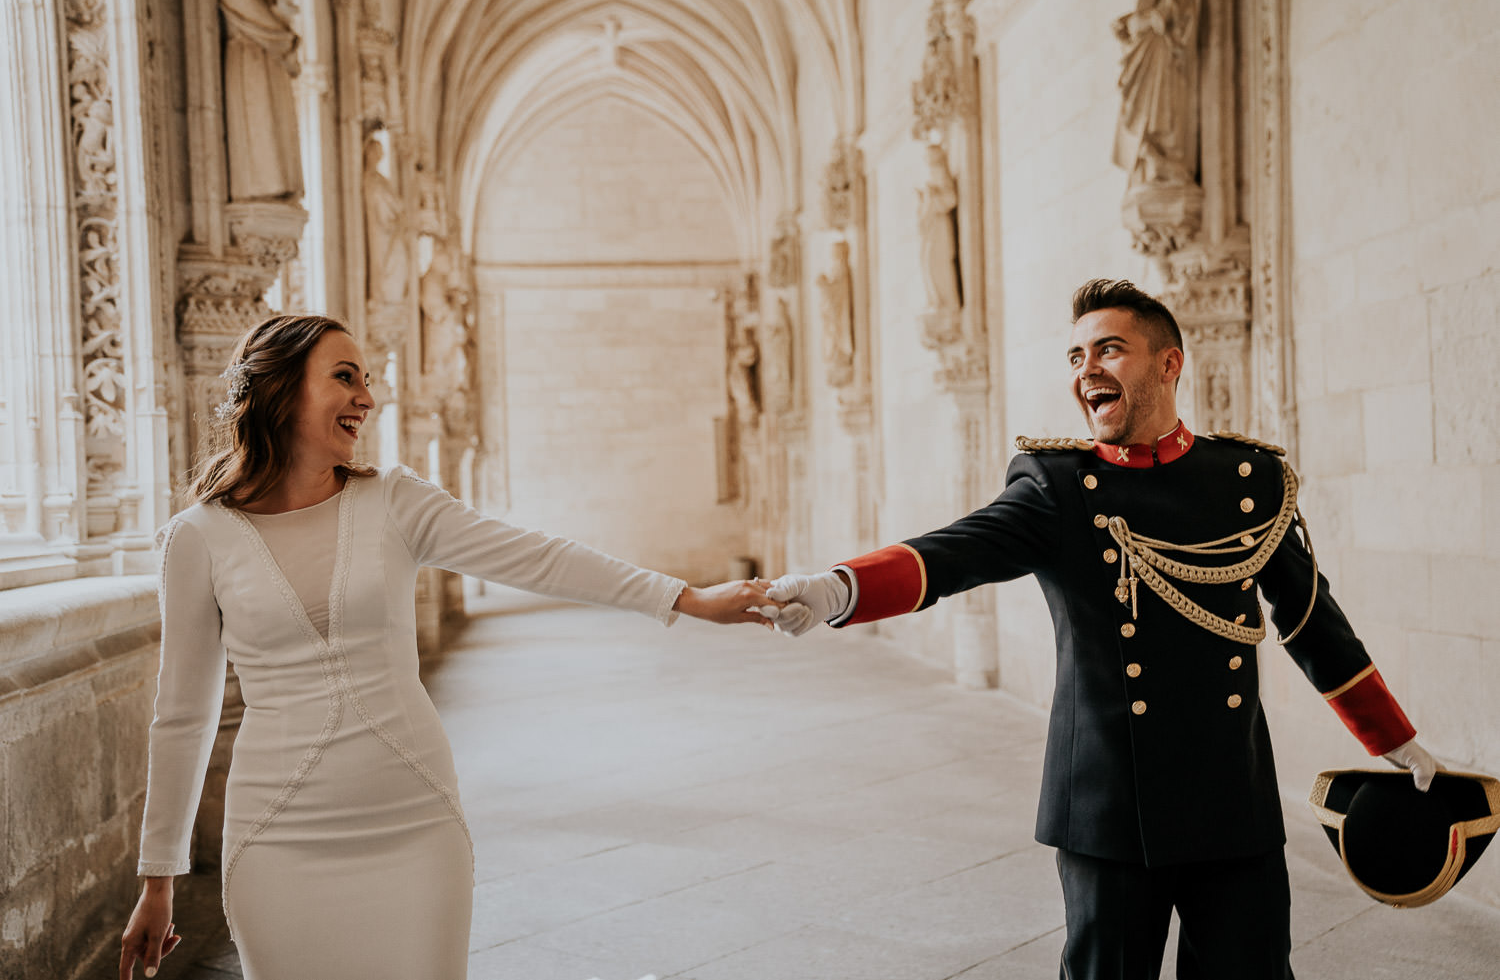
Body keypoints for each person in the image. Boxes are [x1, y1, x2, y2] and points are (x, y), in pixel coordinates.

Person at [764, 279, 1439, 980]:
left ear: (1169, 365)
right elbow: (953, 551)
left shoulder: (1249, 478)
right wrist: (839, 588)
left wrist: (1394, 737)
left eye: (1109, 350)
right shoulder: (1058, 488)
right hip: (1109, 805)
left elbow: (1309, 619)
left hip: (1231, 799)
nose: (1086, 369)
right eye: (1076, 355)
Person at [118, 314, 777, 980]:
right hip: (276, 837)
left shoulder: (395, 501)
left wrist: (685, 597)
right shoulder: (197, 537)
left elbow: (538, 558)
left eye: (367, 381)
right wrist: (158, 879)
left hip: (413, 820)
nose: (367, 399)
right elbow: (183, 715)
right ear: (280, 389)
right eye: (344, 377)